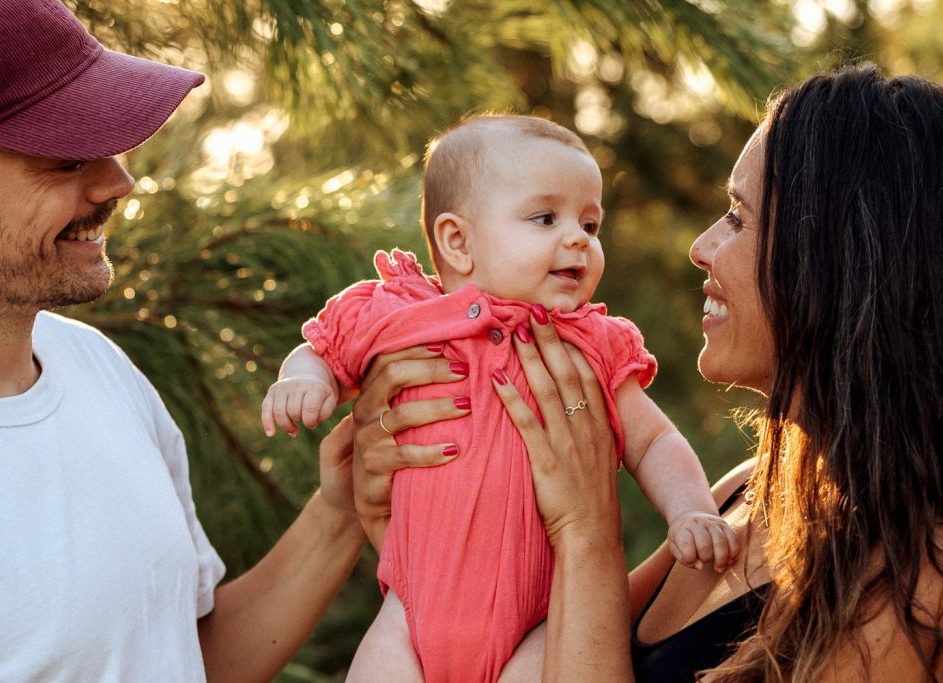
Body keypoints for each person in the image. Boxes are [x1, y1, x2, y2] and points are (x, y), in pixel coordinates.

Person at [348, 65, 943, 681]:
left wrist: (587, 533)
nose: (701, 246)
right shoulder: (744, 493)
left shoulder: (931, 590)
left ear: (843, 261)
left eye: (737, 216)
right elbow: (539, 640)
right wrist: (416, 539)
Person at [0, 2, 407, 681]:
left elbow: (186, 657)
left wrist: (340, 510)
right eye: (66, 157)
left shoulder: (97, 366)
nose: (118, 182)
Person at [261, 115, 737, 681]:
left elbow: (655, 437)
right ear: (457, 241)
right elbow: (323, 347)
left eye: (591, 222)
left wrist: (690, 509)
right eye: (545, 218)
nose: (578, 238)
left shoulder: (588, 344)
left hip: (536, 625)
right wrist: (305, 381)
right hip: (408, 621)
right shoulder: (399, 314)